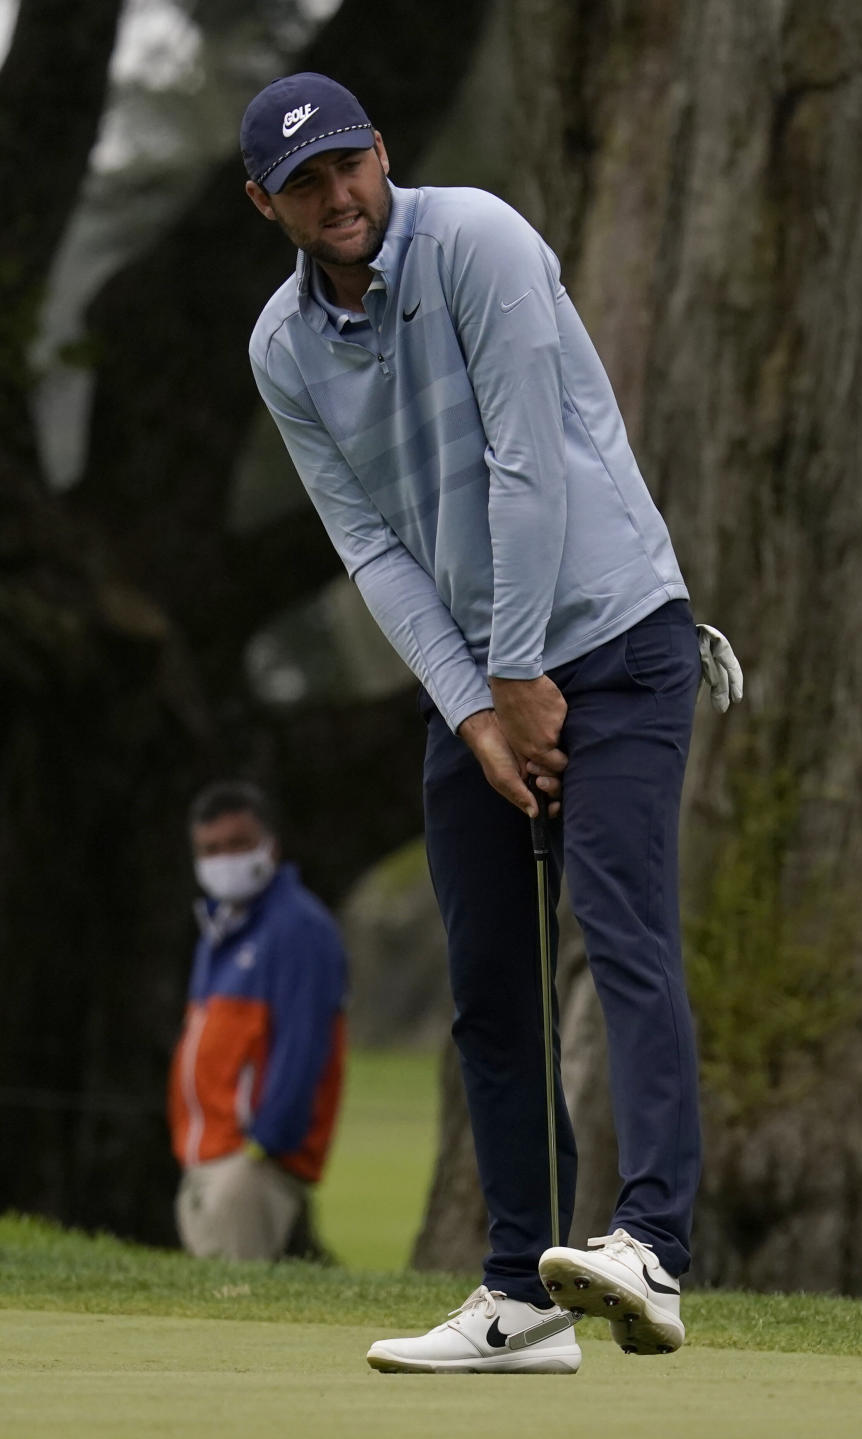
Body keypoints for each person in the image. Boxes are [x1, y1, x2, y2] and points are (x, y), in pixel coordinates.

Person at [239, 74, 743, 1370]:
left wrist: (521, 673)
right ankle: (520, 1291)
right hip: (480, 683)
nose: (337, 195)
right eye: (304, 183)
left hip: (620, 637)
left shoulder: (481, 240)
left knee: (619, 925)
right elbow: (370, 544)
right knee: (488, 989)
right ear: (266, 204)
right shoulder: (282, 347)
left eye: (347, 165)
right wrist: (476, 707)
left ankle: (651, 1243)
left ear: (381, 153)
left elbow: (525, 460)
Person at [168, 780, 348, 1262]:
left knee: (233, 1305)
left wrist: (266, 1143)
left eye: (237, 844)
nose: (223, 859)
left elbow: (304, 1046)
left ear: (271, 844)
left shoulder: (298, 928)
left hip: (249, 1162)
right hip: (206, 1154)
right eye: (210, 849)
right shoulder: (219, 928)